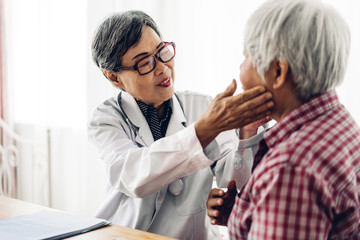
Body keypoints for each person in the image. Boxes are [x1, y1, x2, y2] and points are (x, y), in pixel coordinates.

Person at [88, 10, 274, 239]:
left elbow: (231, 177)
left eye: (162, 52)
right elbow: (133, 176)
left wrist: (247, 132)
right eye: (144, 63)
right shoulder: (106, 119)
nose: (162, 68)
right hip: (129, 234)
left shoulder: (201, 105)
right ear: (114, 77)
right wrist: (203, 130)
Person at [206, 0, 360, 239]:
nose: (240, 66)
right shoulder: (340, 121)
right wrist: (242, 215)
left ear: (278, 71)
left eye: (246, 57)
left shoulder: (291, 169)